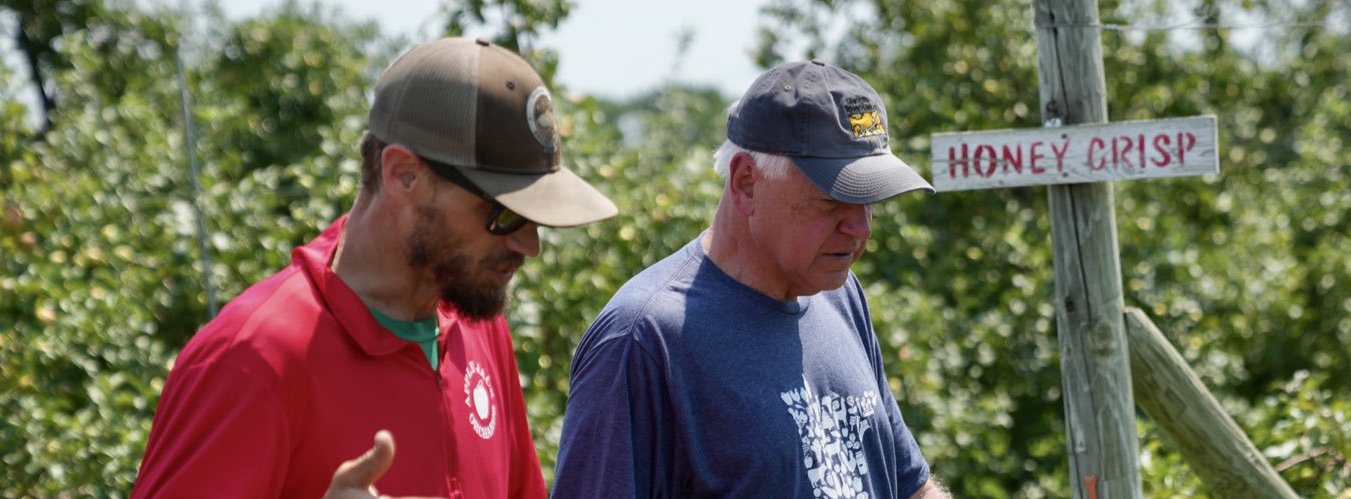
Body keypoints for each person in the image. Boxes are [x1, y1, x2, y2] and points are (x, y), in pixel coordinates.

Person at [132, 37, 617, 499]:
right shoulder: (251, 359)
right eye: (504, 213)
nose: (528, 244)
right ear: (404, 175)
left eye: (536, 219)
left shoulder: (478, 326)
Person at [552, 60, 950, 498]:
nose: (861, 230)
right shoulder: (643, 339)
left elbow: (910, 486)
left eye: (869, 202)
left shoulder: (839, 295)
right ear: (746, 183)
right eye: (833, 200)